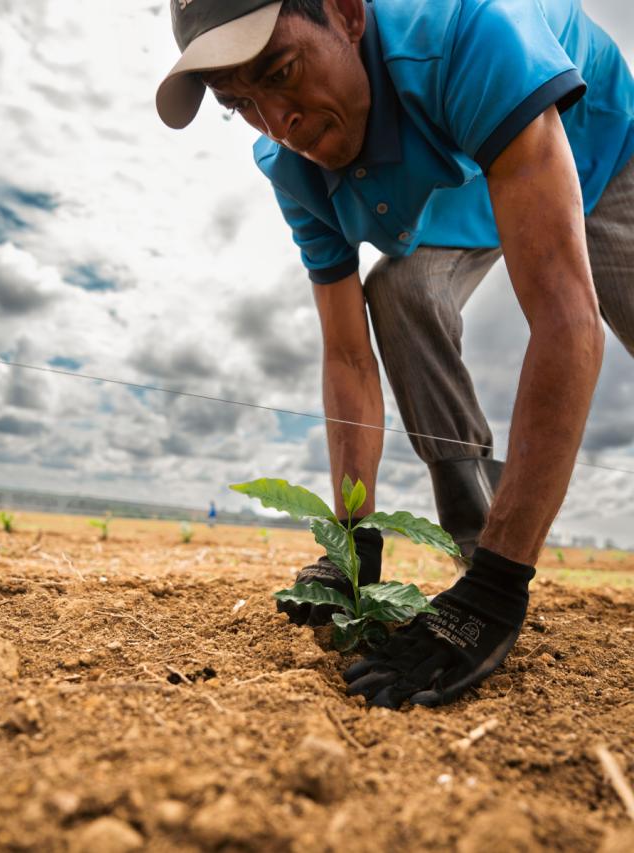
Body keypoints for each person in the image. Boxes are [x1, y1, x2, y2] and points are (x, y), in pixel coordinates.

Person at [156, 0, 633, 708]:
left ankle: (497, 564)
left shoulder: (471, 31)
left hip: (595, 140)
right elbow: (348, 357)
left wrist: (498, 593)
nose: (278, 122)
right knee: (402, 288)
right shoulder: (292, 166)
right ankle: (479, 525)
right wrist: (354, 544)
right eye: (240, 104)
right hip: (476, 161)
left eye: (282, 72)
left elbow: (567, 318)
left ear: (346, 12)